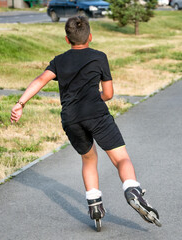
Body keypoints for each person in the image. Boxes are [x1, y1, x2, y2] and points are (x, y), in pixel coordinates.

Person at [10, 15, 161, 228]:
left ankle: (95, 205)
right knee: (121, 159)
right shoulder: (99, 57)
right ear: (90, 36)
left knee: (88, 159)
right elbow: (108, 94)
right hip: (96, 114)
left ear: (67, 39)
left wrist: (20, 103)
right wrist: (94, 99)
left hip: (71, 118)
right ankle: (133, 190)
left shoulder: (59, 60)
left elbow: (40, 80)